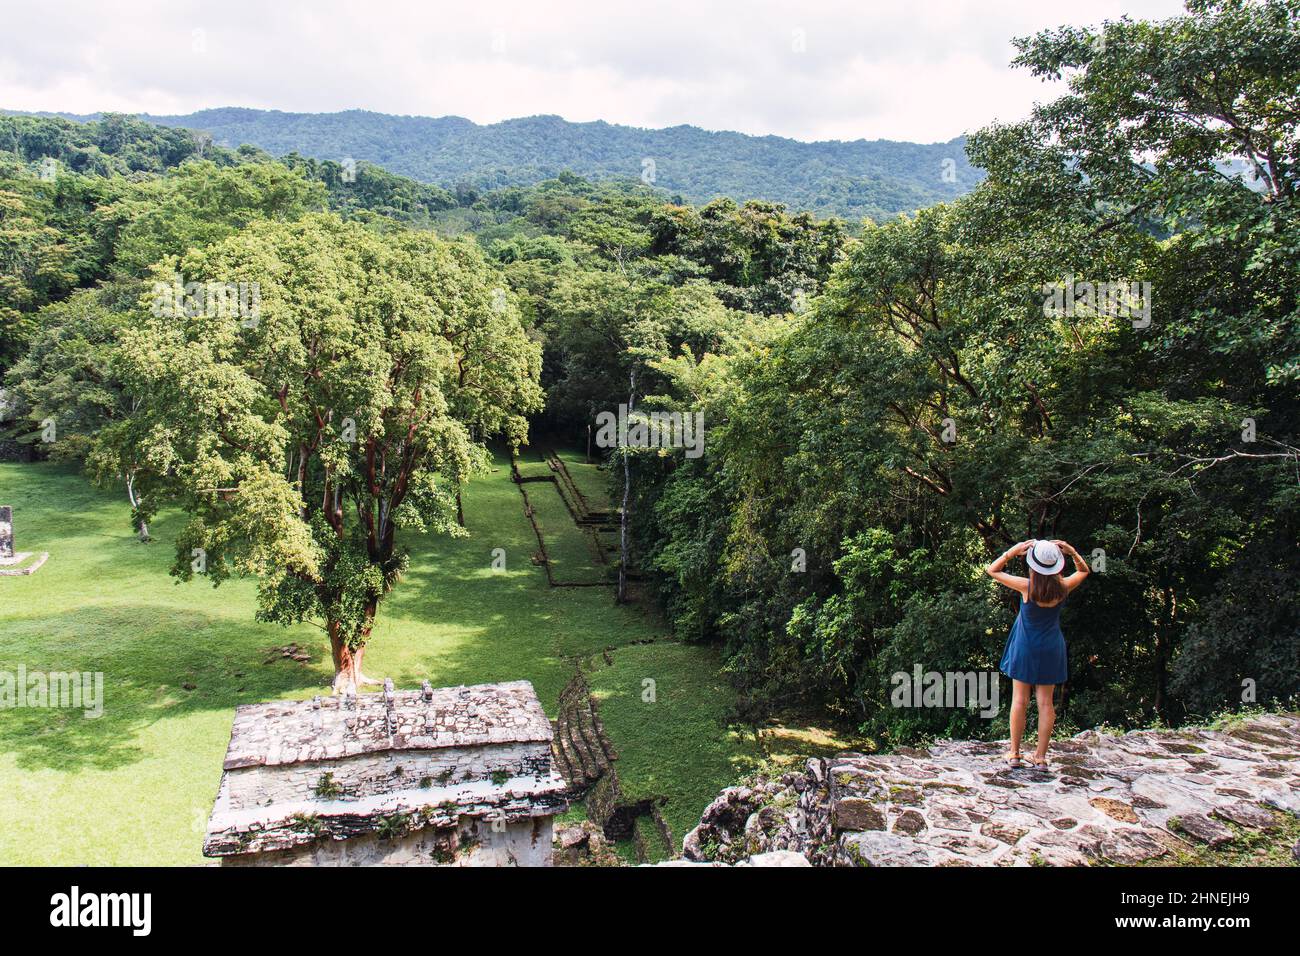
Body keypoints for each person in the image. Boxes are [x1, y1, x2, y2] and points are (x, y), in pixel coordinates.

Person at [984, 538, 1090, 770]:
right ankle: (1040, 757)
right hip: (1052, 648)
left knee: (1019, 700)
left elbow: (992, 570)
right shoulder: (1063, 587)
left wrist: (1011, 552)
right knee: (1046, 703)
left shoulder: (1026, 587)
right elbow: (1084, 570)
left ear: (1034, 564)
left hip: (1026, 646)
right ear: (1056, 566)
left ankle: (1014, 754)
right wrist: (1072, 551)